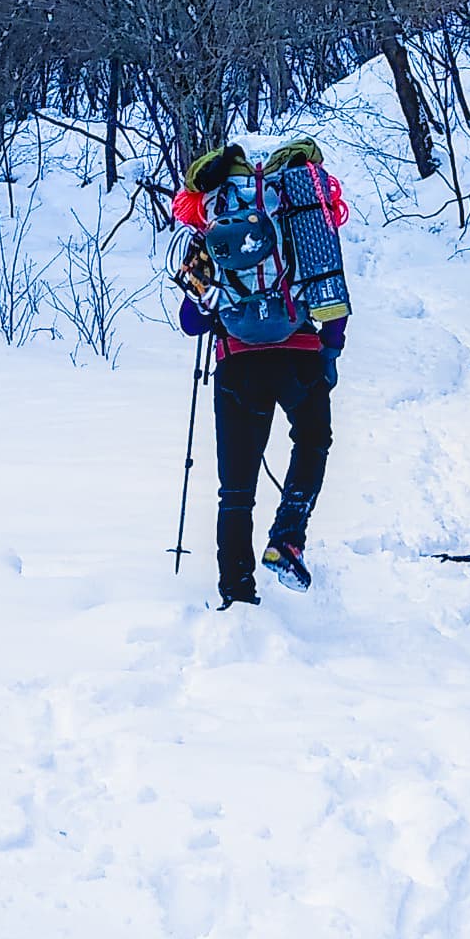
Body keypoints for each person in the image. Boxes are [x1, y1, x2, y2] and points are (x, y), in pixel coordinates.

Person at [173, 145, 349, 607]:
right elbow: (331, 290)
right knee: (312, 442)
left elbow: (192, 321)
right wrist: (330, 350)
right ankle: (288, 535)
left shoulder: (209, 226)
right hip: (300, 355)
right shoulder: (298, 217)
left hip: (237, 361)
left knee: (235, 489)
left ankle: (237, 594)